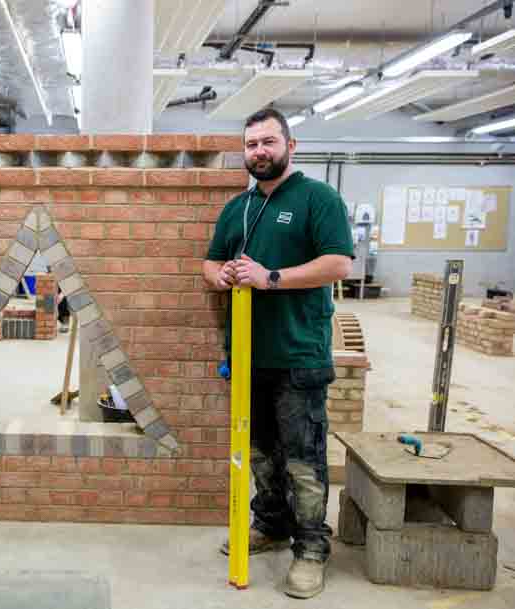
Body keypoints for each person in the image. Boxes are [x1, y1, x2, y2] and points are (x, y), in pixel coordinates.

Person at [202, 108, 353, 599]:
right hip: (248, 355)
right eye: (251, 145)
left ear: (291, 145)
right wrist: (221, 276)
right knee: (261, 453)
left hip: (299, 354)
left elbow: (338, 264)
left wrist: (270, 278)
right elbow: (210, 263)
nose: (259, 152)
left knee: (304, 460)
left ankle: (311, 549)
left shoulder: (318, 199)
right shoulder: (238, 208)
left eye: (268, 142)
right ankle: (270, 524)